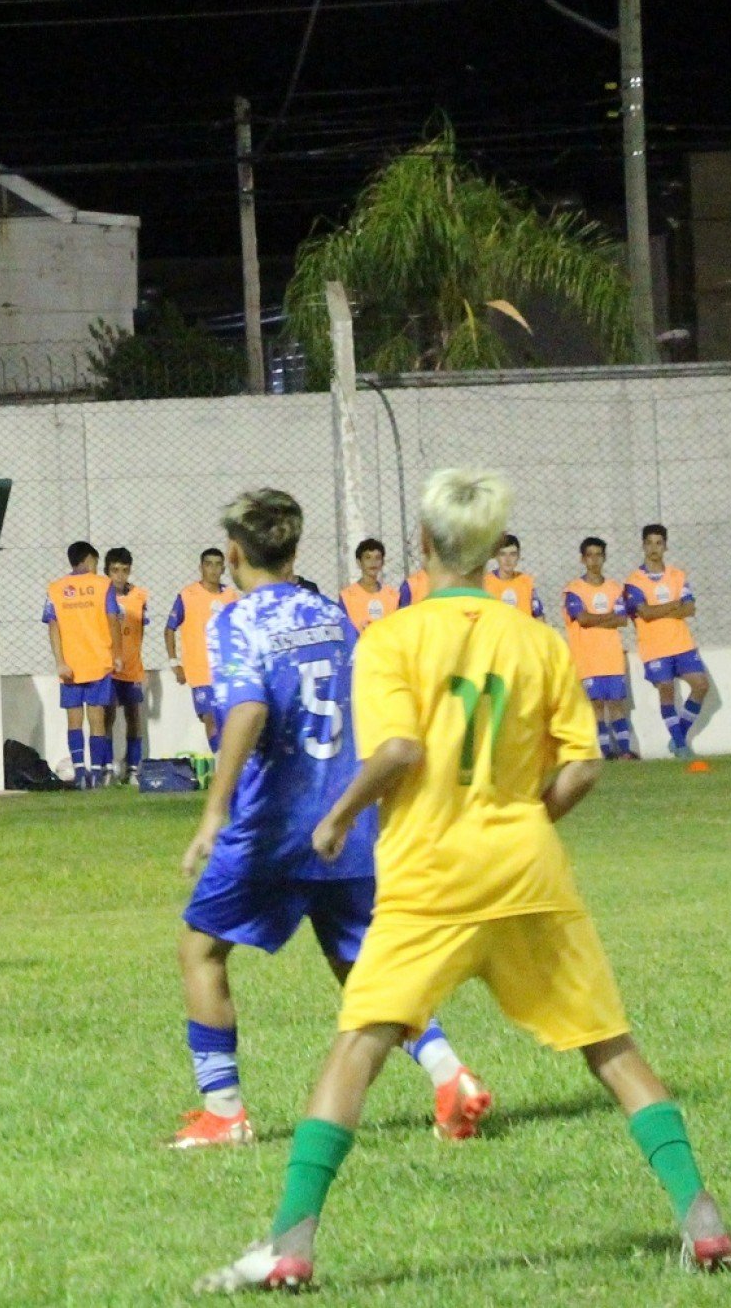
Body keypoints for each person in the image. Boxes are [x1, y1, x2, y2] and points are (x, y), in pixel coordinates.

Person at [194, 469, 731, 1294]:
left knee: (358, 1047)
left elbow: (403, 751)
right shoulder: (537, 640)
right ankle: (703, 1221)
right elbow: (584, 765)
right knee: (612, 1050)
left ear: (421, 544)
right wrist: (524, 823)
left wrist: (339, 816)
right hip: (527, 871)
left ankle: (290, 1246)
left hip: (429, 878)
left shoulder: (393, 640)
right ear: (491, 549)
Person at [174, 489, 485, 1152]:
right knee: (360, 966)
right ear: (293, 548)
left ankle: (224, 1111)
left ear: (233, 553)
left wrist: (214, 808)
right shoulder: (331, 612)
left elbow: (249, 711)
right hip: (347, 820)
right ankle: (449, 1074)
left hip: (274, 824)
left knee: (200, 949)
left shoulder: (235, 621)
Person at [624, 524, 712, 762]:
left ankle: (678, 737)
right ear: (643, 546)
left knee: (701, 685)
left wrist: (660, 609)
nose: (654, 548)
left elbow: (690, 608)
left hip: (682, 643)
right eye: (650, 543)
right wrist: (674, 605)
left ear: (665, 546)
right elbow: (645, 613)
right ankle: (681, 746)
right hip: (655, 647)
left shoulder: (677, 575)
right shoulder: (634, 582)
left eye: (659, 543)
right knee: (666, 689)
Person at [43, 541, 123, 788]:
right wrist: (117, 655)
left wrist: (60, 662)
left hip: (71, 665)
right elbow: (113, 621)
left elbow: (53, 626)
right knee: (97, 719)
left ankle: (79, 773)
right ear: (89, 560)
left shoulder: (56, 589)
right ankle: (97, 774)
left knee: (74, 721)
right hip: (98, 662)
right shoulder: (103, 585)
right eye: (96, 563)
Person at [564, 537, 639, 761]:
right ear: (582, 559)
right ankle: (607, 752)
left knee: (616, 704)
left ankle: (624, 751)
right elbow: (582, 618)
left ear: (604, 558)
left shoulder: (614, 588)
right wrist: (608, 617)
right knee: (596, 706)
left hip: (611, 656)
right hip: (587, 658)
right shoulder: (574, 590)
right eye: (590, 555)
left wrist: (597, 618)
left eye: (598, 555)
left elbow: (622, 619)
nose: (594, 560)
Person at [165, 548, 238, 749]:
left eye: (217, 564)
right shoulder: (187, 595)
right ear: (201, 567)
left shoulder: (231, 596)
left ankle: (231, 770)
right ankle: (219, 763)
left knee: (230, 722)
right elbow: (169, 629)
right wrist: (174, 663)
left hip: (228, 671)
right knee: (210, 718)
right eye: (208, 564)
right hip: (200, 672)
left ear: (223, 568)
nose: (213, 569)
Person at [103, 547, 149, 784]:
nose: (119, 576)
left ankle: (133, 768)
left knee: (133, 717)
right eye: (115, 570)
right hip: (108, 668)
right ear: (107, 571)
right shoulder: (101, 595)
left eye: (124, 570)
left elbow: (141, 630)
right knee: (107, 716)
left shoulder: (140, 596)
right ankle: (108, 767)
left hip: (131, 668)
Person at [484, 533, 545, 619]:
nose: (507, 559)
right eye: (503, 554)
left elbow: (539, 617)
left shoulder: (526, 582)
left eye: (512, 554)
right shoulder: (485, 583)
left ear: (518, 556)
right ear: (496, 557)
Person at [339, 539, 393, 634]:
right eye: (368, 558)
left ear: (383, 562)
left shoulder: (392, 596)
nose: (373, 562)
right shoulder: (347, 596)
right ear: (359, 562)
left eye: (377, 558)